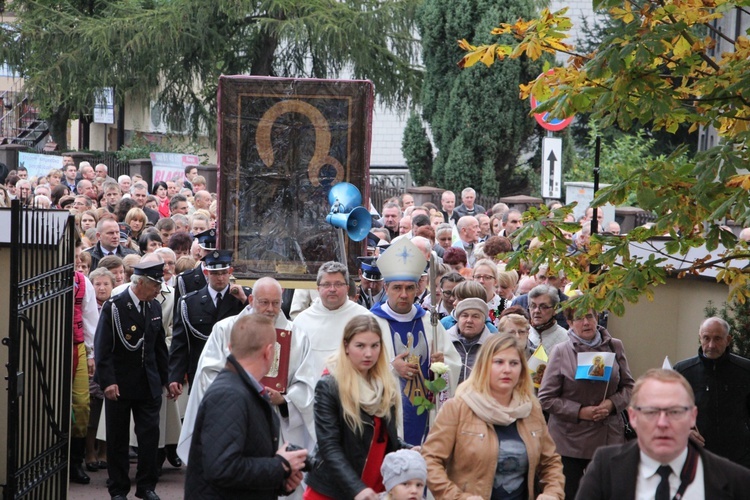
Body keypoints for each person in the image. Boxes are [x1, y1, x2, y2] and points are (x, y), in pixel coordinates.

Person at [421, 334, 565, 499]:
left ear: (522, 369)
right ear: (484, 366)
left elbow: (550, 462)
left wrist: (552, 493)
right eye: (498, 362)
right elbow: (430, 460)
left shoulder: (531, 409)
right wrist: (457, 497)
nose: (507, 369)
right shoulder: (458, 408)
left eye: (514, 363)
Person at [184, 313, 308, 499]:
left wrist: (280, 482)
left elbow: (248, 458)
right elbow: (222, 468)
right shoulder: (229, 395)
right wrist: (280, 464)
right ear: (269, 352)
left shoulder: (243, 389)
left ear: (230, 347)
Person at [576, 369, 750, 499]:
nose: (663, 423)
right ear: (633, 417)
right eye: (651, 412)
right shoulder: (605, 469)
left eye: (675, 412)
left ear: (692, 417)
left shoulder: (736, 482)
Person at [304, 315, 408, 499]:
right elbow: (329, 446)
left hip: (374, 488)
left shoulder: (385, 386)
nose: (368, 353)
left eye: (375, 346)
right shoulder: (330, 386)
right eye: (360, 346)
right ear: (346, 346)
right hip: (334, 490)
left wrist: (407, 449)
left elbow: (381, 438)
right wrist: (357, 488)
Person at [538, 304, 635, 499]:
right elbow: (546, 398)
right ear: (571, 324)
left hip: (607, 436)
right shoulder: (561, 351)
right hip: (569, 441)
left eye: (590, 317)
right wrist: (580, 411)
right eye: (579, 318)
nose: (586, 322)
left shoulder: (615, 346)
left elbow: (629, 387)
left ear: (597, 318)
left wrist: (611, 404)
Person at [371, 238, 461, 445]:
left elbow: (452, 365)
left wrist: (440, 367)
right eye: (397, 288)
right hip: (386, 411)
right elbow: (356, 366)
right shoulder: (371, 322)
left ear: (418, 288)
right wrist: (391, 366)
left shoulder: (429, 322)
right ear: (386, 287)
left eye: (410, 288)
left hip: (424, 410)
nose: (404, 294)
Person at [94, 258, 169, 500]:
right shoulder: (115, 306)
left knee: (149, 439)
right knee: (117, 440)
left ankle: (147, 486)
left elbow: (159, 348)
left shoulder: (154, 306)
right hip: (120, 383)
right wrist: (107, 381)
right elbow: (102, 347)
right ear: (141, 283)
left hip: (148, 383)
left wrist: (167, 379)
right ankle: (118, 489)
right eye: (155, 285)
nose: (159, 290)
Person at [673, 317, 750, 468]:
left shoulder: (745, 371)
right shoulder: (682, 372)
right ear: (699, 338)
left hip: (740, 458)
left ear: (728, 340)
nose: (711, 345)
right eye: (706, 338)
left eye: (717, 339)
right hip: (697, 456)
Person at [169, 250, 248, 395]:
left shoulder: (243, 298)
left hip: (235, 370)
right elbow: (180, 342)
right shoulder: (189, 302)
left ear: (230, 271)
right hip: (201, 369)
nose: (220, 278)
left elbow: (257, 327)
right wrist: (175, 375)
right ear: (206, 273)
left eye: (224, 272)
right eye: (215, 273)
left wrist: (244, 301)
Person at [447, 298, 493, 385]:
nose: (469, 320)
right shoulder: (445, 341)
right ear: (458, 319)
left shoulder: (492, 345)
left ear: (484, 321)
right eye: (464, 315)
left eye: (475, 316)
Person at [526, 284, 569, 355]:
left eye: (543, 307)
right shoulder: (521, 334)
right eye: (533, 306)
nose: (537, 311)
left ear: (555, 310)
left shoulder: (566, 338)